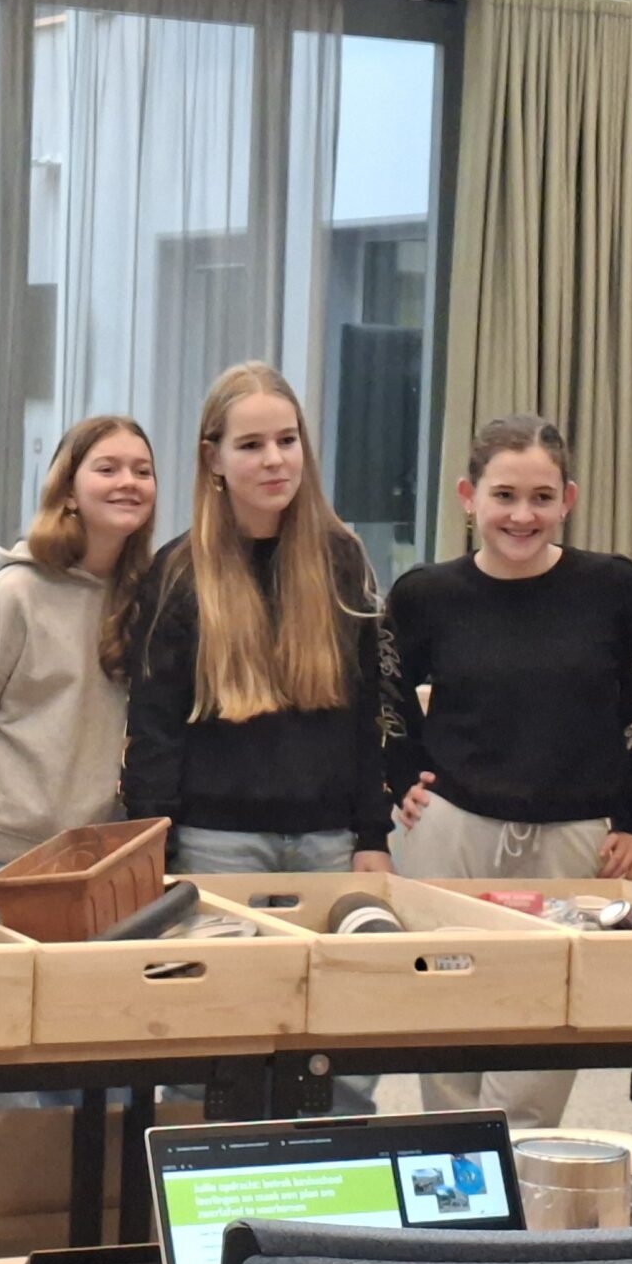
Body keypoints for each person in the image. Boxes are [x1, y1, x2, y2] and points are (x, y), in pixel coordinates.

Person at [382, 414, 632, 1129]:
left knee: (547, 1018)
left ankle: (523, 1165)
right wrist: (402, 779)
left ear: (568, 500)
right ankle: (451, 1161)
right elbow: (383, 696)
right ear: (468, 496)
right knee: (446, 1016)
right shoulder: (425, 593)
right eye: (505, 495)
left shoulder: (614, 587)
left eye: (542, 497)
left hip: (575, 840)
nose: (522, 515)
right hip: (451, 832)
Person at [0, 415, 157, 1186]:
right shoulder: (6, 599)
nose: (128, 482)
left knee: (89, 1067)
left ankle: (55, 1234)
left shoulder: (146, 604)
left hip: (96, 869)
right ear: (69, 488)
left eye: (141, 469)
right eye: (107, 467)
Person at [123, 361, 392, 877]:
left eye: (287, 440)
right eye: (250, 445)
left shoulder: (342, 559)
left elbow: (367, 713)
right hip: (213, 842)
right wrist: (153, 847)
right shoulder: (178, 571)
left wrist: (373, 834)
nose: (274, 460)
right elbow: (155, 728)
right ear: (214, 458)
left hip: (330, 838)